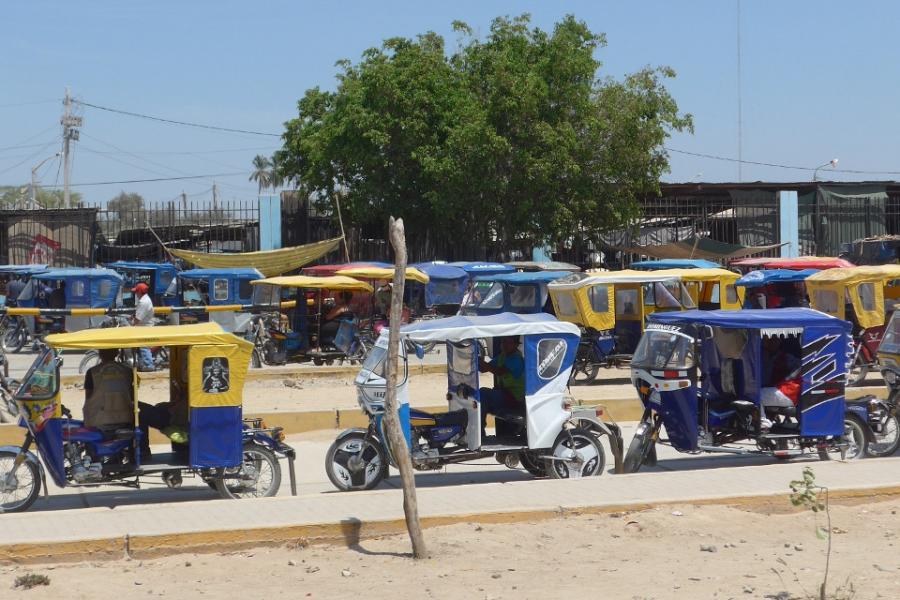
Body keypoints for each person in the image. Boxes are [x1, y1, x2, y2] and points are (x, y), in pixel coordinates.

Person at [477, 336, 526, 429]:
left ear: (516, 345)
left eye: (508, 342)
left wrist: (480, 361)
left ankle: (480, 431)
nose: (504, 345)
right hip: (505, 394)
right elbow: (483, 369)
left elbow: (499, 371)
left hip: (514, 397)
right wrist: (478, 359)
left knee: (483, 393)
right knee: (477, 395)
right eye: (503, 342)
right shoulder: (502, 356)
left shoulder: (516, 359)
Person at [83, 348, 134, 430]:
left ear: (100, 353)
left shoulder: (92, 372)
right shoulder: (128, 371)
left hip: (98, 421)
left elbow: (88, 398)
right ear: (117, 353)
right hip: (125, 419)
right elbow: (132, 395)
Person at [759, 335, 802, 430]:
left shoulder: (786, 358)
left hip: (789, 392)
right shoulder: (762, 356)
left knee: (756, 395)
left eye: (774, 340)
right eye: (767, 340)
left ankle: (763, 422)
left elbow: (802, 367)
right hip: (778, 389)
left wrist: (788, 378)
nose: (770, 342)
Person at [131, 282, 155, 372]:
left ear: (140, 292)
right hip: (143, 326)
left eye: (136, 292)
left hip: (145, 328)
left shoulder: (143, 302)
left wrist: (131, 324)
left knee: (143, 345)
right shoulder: (145, 299)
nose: (136, 294)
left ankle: (148, 364)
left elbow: (138, 319)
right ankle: (142, 363)